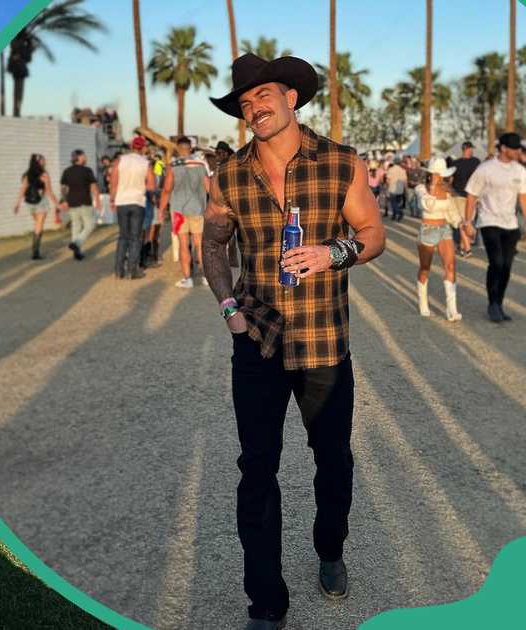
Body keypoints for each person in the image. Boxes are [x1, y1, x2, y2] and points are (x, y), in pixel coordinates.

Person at [202, 53, 385, 630]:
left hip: (325, 342)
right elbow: (212, 246)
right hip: (256, 340)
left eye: (263, 98)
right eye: (244, 104)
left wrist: (333, 253)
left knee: (332, 459)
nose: (253, 109)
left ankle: (330, 548)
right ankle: (265, 599)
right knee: (257, 467)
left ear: (292, 98)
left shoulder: (339, 162)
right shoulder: (228, 176)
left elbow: (372, 233)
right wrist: (229, 308)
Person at [463, 132, 526, 323]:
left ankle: (499, 303)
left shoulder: (520, 171)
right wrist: (468, 222)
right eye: (514, 148)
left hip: (511, 224)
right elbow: (472, 195)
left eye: (519, 148)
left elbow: (523, 198)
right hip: (489, 221)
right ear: (504, 148)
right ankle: (492, 304)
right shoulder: (486, 169)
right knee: (496, 262)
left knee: (506, 266)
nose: (517, 151)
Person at [414, 158, 463, 321]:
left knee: (450, 266)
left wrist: (461, 228)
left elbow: (452, 212)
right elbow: (426, 205)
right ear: (431, 174)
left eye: (441, 175)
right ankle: (423, 302)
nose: (440, 178)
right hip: (427, 230)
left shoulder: (447, 190)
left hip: (444, 230)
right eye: (438, 175)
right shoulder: (421, 188)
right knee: (425, 268)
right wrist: (434, 186)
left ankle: (452, 309)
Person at [160, 135, 211, 288]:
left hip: (178, 211)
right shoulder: (201, 164)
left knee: (183, 244)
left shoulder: (173, 165)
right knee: (199, 244)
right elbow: (208, 187)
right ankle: (205, 277)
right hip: (198, 209)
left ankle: (187, 279)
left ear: (178, 148)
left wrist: (161, 209)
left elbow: (167, 189)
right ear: (190, 148)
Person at [109, 136, 156, 279]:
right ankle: (132, 270)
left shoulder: (120, 160)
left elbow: (113, 182)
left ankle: (118, 270)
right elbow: (152, 186)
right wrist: (144, 188)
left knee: (123, 236)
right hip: (138, 202)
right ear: (142, 148)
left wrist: (112, 200)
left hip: (121, 201)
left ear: (131, 146)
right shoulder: (145, 163)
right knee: (135, 237)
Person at [13, 153, 60, 260]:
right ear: (39, 162)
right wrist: (57, 204)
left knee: (37, 223)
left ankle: (35, 250)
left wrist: (17, 203)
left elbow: (23, 189)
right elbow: (49, 191)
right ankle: (35, 252)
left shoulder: (27, 174)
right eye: (43, 160)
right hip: (41, 202)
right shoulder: (44, 174)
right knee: (38, 225)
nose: (45, 162)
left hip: (29, 203)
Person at [59, 148, 101, 261]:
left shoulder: (66, 171)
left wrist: (64, 200)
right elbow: (93, 186)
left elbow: (64, 188)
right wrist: (98, 200)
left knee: (76, 227)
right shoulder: (87, 170)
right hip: (84, 201)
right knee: (90, 225)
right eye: (84, 155)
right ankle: (77, 243)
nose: (86, 158)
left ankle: (76, 252)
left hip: (72, 202)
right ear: (79, 158)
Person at [449, 141, 481, 257]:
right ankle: (468, 249)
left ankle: (463, 247)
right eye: (471, 148)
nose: (472, 150)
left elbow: (450, 180)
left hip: (463, 195)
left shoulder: (455, 163)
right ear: (466, 149)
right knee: (466, 222)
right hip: (467, 196)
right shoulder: (475, 161)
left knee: (466, 222)